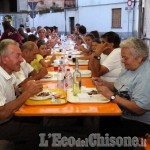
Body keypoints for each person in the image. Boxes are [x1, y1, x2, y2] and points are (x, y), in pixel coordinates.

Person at [94, 37, 150, 148]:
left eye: (125, 58)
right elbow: (118, 86)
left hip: (140, 122)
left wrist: (112, 96)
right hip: (123, 113)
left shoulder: (146, 76)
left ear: (139, 58)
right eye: (122, 58)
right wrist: (104, 83)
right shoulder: (130, 67)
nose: (123, 61)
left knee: (111, 132)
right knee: (104, 119)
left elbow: (139, 109)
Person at [0, 39, 43, 149]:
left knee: (38, 118)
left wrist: (28, 88)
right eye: (17, 56)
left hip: (10, 116)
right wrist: (27, 93)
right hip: (3, 123)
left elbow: (20, 88)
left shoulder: (10, 73)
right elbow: (2, 113)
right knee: (36, 131)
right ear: (5, 59)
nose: (21, 59)